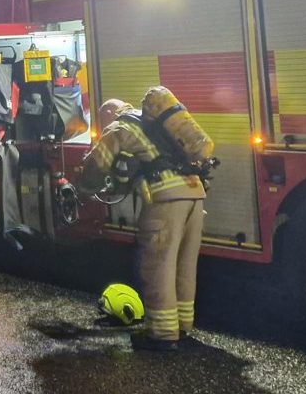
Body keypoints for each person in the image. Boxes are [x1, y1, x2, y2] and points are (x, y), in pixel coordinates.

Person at [79, 87, 214, 351]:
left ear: (107, 114)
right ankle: (183, 326)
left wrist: (84, 187)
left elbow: (98, 163)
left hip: (166, 199)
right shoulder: (156, 125)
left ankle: (162, 335)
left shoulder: (119, 128)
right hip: (195, 196)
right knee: (184, 267)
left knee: (157, 266)